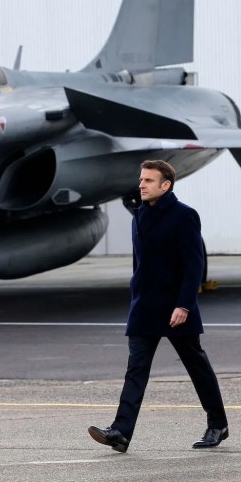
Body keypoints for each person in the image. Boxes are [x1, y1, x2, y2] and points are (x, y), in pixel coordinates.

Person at [88, 159, 228, 453]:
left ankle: (218, 424)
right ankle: (121, 432)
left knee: (196, 366)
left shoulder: (184, 216)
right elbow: (140, 264)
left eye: (149, 180)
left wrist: (185, 305)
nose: (142, 184)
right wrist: (135, 293)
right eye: (141, 179)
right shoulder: (139, 216)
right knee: (135, 369)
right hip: (144, 308)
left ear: (166, 185)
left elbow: (193, 265)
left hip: (176, 308)